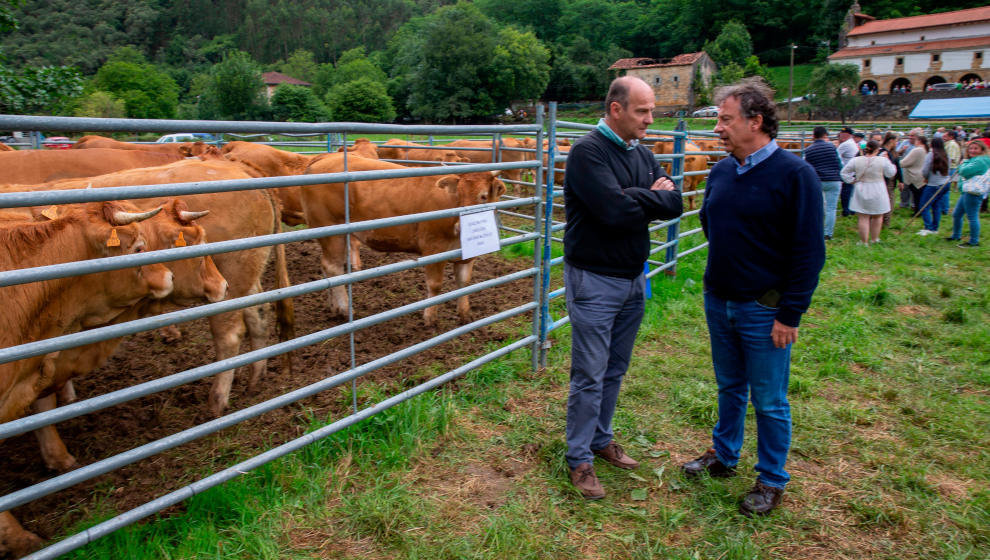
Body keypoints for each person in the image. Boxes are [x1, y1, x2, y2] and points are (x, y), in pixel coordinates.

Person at [684, 78, 825, 517]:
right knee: (729, 385)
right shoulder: (723, 169)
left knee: (769, 398)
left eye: (725, 120)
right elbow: (711, 220)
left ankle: (771, 479)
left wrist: (790, 311)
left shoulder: (795, 175)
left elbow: (809, 251)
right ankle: (724, 456)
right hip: (719, 297)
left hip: (763, 309)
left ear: (756, 121)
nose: (718, 129)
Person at [562, 76, 683, 499]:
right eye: (643, 111)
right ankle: (579, 458)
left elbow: (676, 201)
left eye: (651, 110)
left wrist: (637, 195)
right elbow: (613, 212)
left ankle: (600, 439)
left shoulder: (642, 153)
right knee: (590, 374)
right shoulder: (587, 153)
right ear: (616, 109)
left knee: (614, 368)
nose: (651, 119)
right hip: (594, 279)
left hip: (633, 279)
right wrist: (644, 195)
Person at [841, 140, 897, 244]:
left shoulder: (856, 160)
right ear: (877, 149)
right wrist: (888, 160)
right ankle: (874, 239)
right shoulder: (883, 160)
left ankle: (864, 241)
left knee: (863, 216)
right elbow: (891, 173)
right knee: (878, 216)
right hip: (878, 188)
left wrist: (852, 180)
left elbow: (844, 173)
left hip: (861, 187)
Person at [947, 140, 990, 247]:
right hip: (967, 191)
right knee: (957, 214)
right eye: (970, 148)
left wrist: (964, 162)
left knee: (972, 217)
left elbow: (964, 171)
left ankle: (974, 241)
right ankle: (956, 235)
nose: (972, 150)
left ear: (982, 150)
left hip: (973, 192)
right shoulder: (975, 159)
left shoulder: (981, 161)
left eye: (976, 148)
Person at [803, 126, 842, 240]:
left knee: (817, 206)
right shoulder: (832, 147)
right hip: (833, 180)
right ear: (825, 135)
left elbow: (806, 166)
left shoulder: (809, 150)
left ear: (813, 136)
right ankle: (828, 233)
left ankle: (816, 230)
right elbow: (839, 163)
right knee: (831, 208)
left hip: (818, 180)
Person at [917, 137, 951, 235]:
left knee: (924, 205)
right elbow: (948, 170)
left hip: (933, 184)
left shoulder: (930, 155)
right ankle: (935, 228)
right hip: (945, 184)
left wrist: (926, 178)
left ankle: (928, 228)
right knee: (936, 205)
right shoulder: (946, 155)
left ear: (931, 144)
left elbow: (925, 170)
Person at [900, 132, 929, 215]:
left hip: (915, 176)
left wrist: (900, 162)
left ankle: (918, 212)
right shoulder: (925, 149)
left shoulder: (917, 150)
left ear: (918, 141)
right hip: (922, 176)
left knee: (917, 196)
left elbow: (904, 163)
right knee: (919, 196)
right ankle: (919, 210)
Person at [837, 127, 860, 216]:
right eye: (841, 134)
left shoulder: (845, 144)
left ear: (850, 135)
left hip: (847, 171)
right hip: (852, 170)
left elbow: (836, 155)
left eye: (845, 134)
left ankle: (846, 211)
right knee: (850, 191)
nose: (842, 136)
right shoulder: (851, 143)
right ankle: (851, 210)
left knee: (846, 191)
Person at [879, 132, 901, 227]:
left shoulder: (892, 152)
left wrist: (901, 180)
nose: (897, 143)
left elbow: (898, 167)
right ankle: (883, 222)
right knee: (888, 201)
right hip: (885, 180)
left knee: (889, 200)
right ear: (891, 140)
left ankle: (884, 222)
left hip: (889, 181)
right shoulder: (884, 152)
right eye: (896, 141)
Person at [942, 131, 962, 215]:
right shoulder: (949, 144)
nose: (943, 138)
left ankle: (945, 209)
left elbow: (951, 158)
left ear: (951, 136)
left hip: (949, 168)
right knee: (944, 189)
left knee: (945, 189)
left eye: (945, 136)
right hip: (949, 167)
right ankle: (944, 208)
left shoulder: (952, 145)